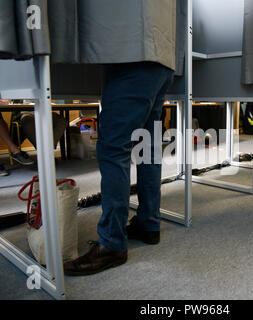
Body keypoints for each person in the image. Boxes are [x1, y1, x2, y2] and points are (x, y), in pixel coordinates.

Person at [64, 0, 176, 276]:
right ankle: (148, 223)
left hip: (132, 55)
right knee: (148, 148)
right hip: (162, 57)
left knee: (114, 148)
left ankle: (112, 243)